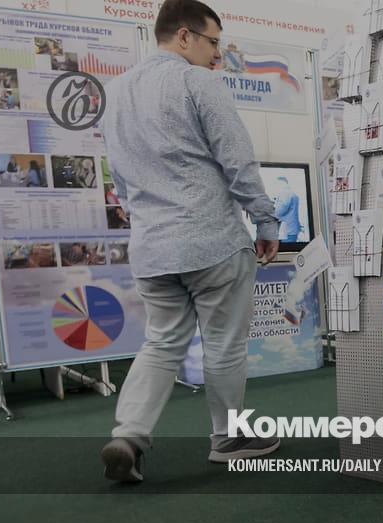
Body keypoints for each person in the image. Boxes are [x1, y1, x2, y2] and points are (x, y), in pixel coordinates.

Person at [99, 0, 281, 483]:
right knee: (224, 343)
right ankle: (228, 439)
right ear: (184, 36)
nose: (217, 54)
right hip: (210, 242)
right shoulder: (198, 82)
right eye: (213, 42)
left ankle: (128, 435)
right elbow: (237, 159)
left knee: (161, 343)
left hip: (151, 247)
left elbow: (119, 178)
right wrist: (265, 222)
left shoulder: (115, 92)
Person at [272, 176, 302, 242]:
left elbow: (279, 212)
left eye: (276, 184)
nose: (275, 186)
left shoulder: (284, 193)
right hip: (292, 230)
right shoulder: (292, 192)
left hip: (287, 231)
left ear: (281, 183)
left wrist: (272, 208)